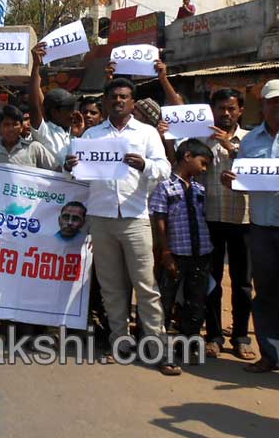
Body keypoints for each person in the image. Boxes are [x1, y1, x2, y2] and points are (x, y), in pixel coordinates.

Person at [63, 78, 178, 375]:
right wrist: (71, 167)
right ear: (104, 100)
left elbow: (165, 169)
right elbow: (82, 178)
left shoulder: (147, 133)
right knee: (112, 288)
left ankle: (158, 349)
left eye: (124, 97)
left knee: (146, 287)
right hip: (101, 219)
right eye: (113, 96)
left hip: (135, 217)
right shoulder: (92, 134)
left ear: (132, 102)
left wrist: (145, 166)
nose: (118, 101)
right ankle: (120, 343)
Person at [221, 79, 279, 373]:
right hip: (261, 227)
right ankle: (271, 355)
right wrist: (231, 182)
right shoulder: (250, 141)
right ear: (264, 106)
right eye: (273, 102)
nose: (278, 107)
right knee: (266, 292)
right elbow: (244, 182)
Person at [150, 139, 214, 368]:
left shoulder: (199, 188)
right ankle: (159, 350)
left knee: (195, 303)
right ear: (187, 157)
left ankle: (186, 346)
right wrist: (165, 252)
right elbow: (160, 220)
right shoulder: (165, 187)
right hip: (175, 253)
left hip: (201, 253)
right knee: (165, 302)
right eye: (203, 163)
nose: (204, 168)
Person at [201, 88, 255, 360]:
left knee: (243, 282)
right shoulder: (201, 139)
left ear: (240, 111)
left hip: (242, 220)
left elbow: (258, 173)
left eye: (231, 108)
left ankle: (241, 336)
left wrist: (231, 148)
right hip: (210, 218)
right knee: (212, 281)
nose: (225, 113)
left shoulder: (250, 140)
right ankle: (213, 335)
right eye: (221, 108)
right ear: (213, 110)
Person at [30, 43, 75, 159]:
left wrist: (79, 134)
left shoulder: (75, 131)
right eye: (69, 109)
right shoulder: (45, 132)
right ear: (55, 112)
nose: (73, 113)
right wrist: (35, 66)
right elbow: (34, 106)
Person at [0, 105, 56, 170]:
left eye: (15, 124)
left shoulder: (34, 148)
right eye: (6, 125)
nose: (11, 129)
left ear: (21, 127)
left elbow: (57, 170)